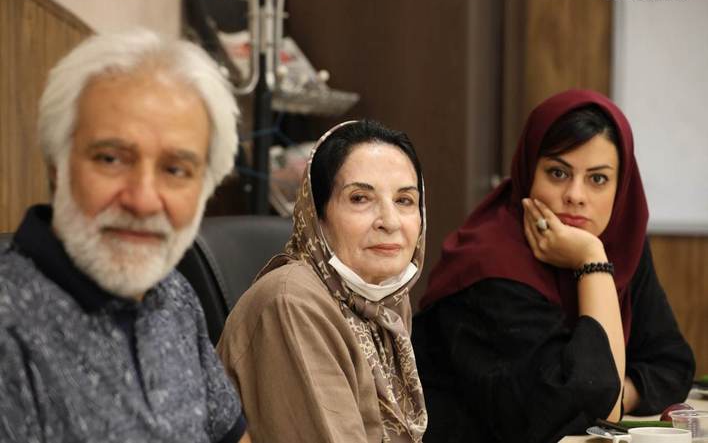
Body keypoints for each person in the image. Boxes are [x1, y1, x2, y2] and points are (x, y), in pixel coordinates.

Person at [0, 29, 250, 442]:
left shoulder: (174, 294)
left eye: (176, 170)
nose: (143, 200)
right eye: (111, 159)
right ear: (57, 166)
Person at [412, 90, 695, 443]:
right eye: (558, 173)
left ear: (621, 186)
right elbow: (581, 405)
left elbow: (672, 366)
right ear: (529, 172)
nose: (575, 195)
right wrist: (592, 263)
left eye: (598, 179)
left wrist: (617, 395)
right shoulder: (490, 267)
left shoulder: (618, 245)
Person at [217, 120, 428, 442]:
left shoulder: (385, 300)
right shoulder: (292, 304)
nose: (390, 221)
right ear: (317, 214)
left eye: (404, 201)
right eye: (360, 198)